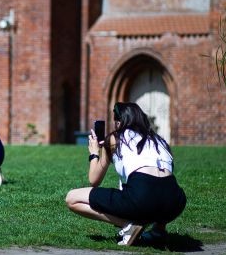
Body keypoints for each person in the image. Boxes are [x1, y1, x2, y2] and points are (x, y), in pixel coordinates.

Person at [65, 102, 187, 246]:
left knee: (72, 198)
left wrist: (94, 153)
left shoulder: (116, 138)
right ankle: (158, 231)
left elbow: (94, 180)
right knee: (159, 188)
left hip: (143, 198)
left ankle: (128, 225)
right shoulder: (159, 140)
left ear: (119, 122)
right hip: (175, 202)